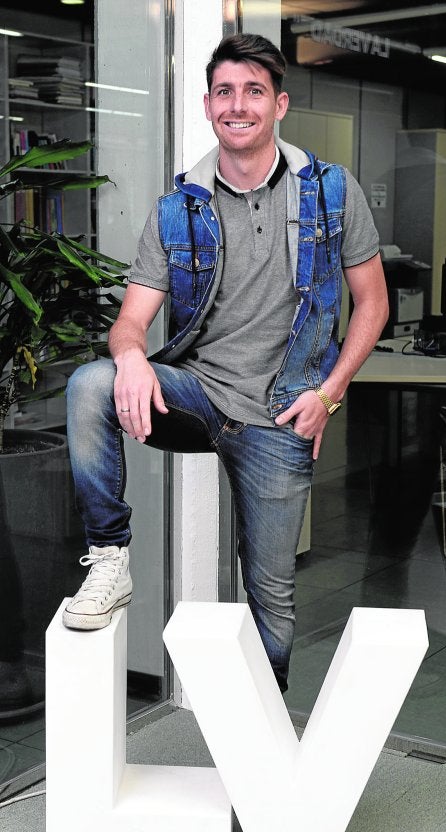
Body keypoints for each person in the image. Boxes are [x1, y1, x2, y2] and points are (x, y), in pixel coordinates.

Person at [63, 33, 388, 693]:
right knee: (92, 383)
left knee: (272, 597)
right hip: (198, 395)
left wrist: (329, 393)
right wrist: (131, 358)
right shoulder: (177, 208)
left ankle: (264, 733)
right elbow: (130, 323)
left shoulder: (331, 192)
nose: (238, 105)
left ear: (279, 105)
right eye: (224, 92)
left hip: (281, 414)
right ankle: (109, 557)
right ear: (209, 105)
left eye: (254, 91)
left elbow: (373, 304)